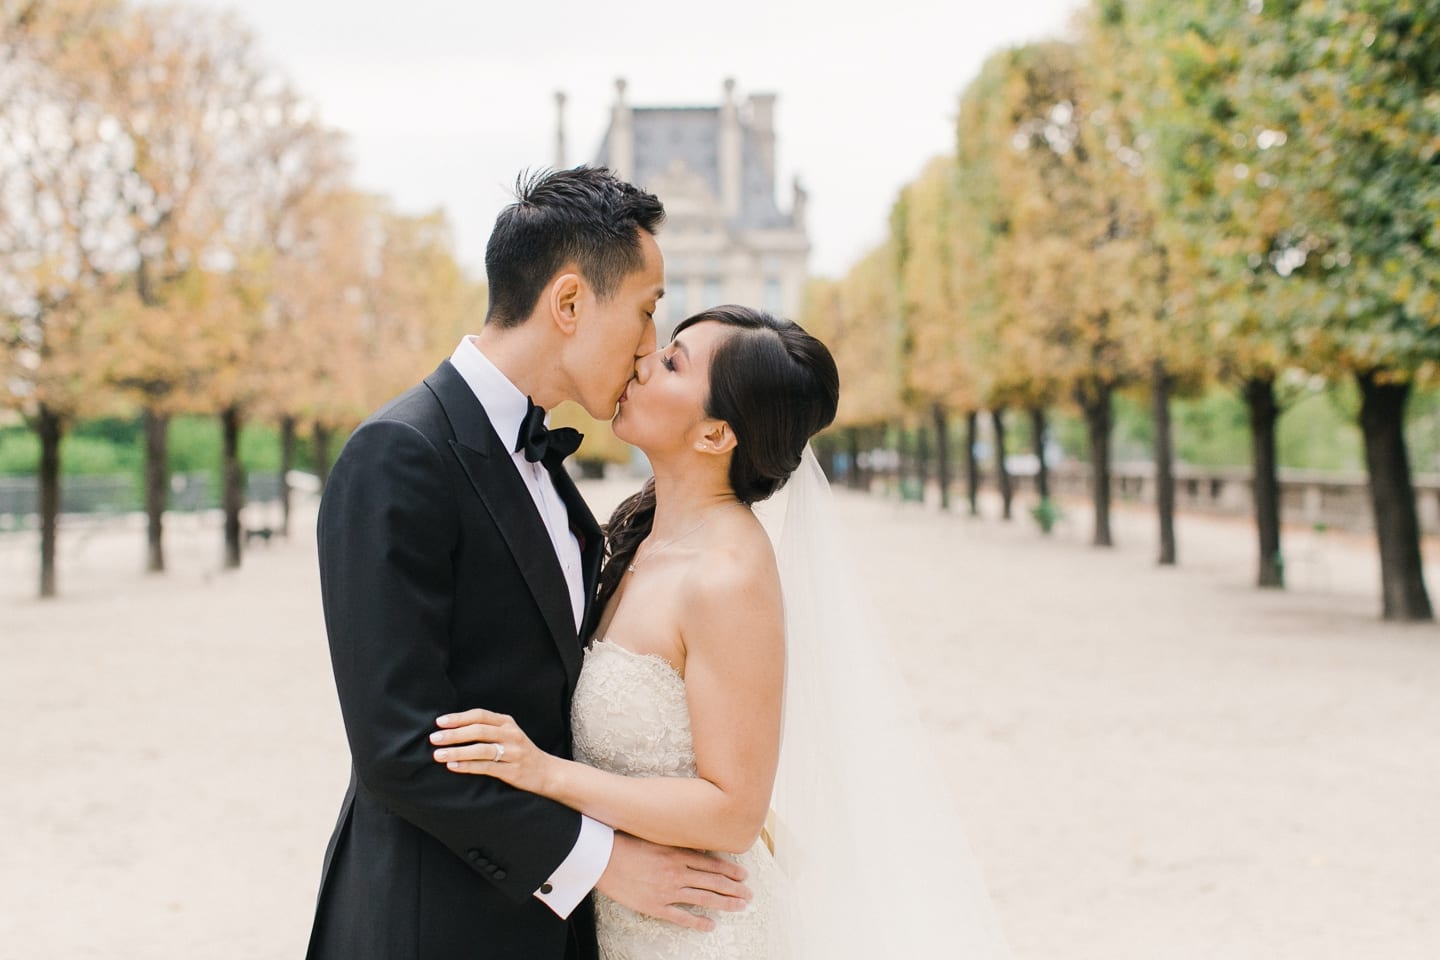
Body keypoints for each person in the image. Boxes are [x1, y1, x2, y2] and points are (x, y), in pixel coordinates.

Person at [306, 167, 753, 960]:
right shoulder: (399, 455)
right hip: (432, 922)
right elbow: (397, 748)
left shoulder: (547, 462)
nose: (652, 345)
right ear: (571, 303)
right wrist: (602, 862)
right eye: (647, 311)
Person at [430, 306, 826, 956]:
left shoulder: (727, 576)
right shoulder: (641, 532)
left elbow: (735, 812)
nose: (644, 359)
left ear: (715, 435)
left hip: (696, 934)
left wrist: (544, 773)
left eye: (673, 362)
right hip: (619, 923)